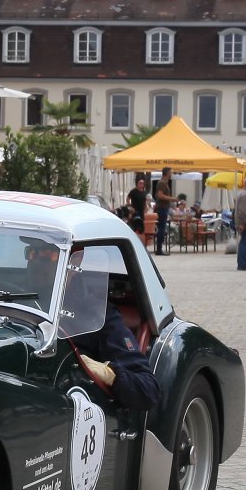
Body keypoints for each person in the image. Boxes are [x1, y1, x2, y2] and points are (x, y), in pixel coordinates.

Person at [56, 246, 161, 411]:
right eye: (31, 250)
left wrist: (110, 373)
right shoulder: (16, 298)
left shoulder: (98, 314)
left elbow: (148, 389)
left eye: (46, 252)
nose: (33, 257)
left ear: (76, 260)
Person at [152, 167, 176, 256]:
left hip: (164, 207)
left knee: (162, 228)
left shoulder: (164, 183)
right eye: (171, 172)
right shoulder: (162, 183)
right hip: (162, 208)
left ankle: (159, 248)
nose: (171, 174)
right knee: (161, 228)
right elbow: (160, 195)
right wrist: (172, 199)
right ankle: (159, 249)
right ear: (167, 173)